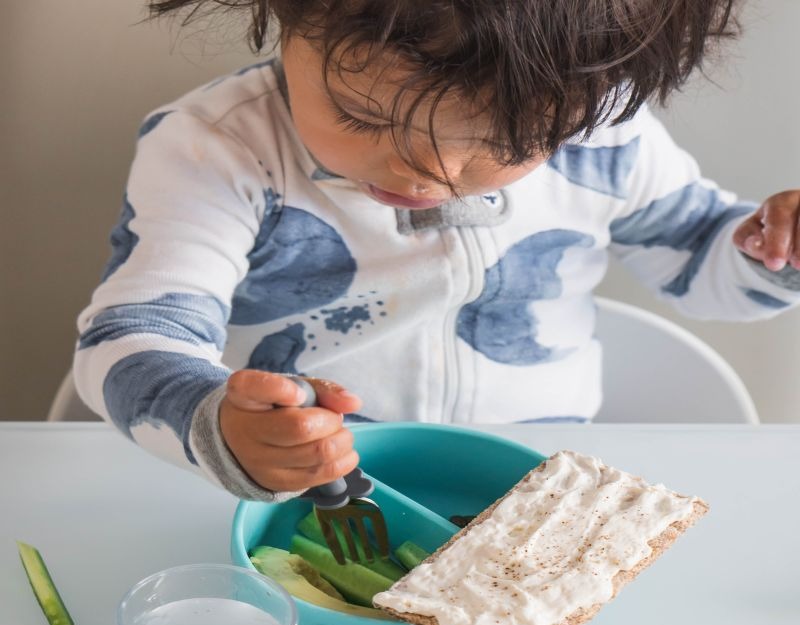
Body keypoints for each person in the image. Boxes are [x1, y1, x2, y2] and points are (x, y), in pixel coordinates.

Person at [74, 0, 800, 502]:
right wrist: (219, 427)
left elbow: (704, 265)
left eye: (506, 142)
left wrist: (774, 251)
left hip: (536, 492)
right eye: (363, 115)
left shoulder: (607, 140)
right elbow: (128, 341)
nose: (432, 174)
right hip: (303, 498)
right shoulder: (221, 150)